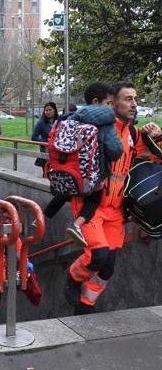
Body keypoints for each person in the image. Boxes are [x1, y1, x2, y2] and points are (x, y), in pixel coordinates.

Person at [65, 81, 162, 315]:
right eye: (128, 99)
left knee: (108, 266)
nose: (134, 104)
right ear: (113, 103)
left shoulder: (133, 134)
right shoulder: (96, 130)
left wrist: (158, 136)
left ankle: (85, 305)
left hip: (116, 210)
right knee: (98, 255)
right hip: (91, 207)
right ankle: (73, 278)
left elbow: (156, 157)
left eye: (135, 99)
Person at [42, 82, 123, 247]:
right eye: (109, 103)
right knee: (93, 199)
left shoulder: (71, 117)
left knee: (66, 191)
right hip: (93, 174)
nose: (111, 107)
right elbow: (115, 151)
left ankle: (41, 218)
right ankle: (77, 225)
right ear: (96, 101)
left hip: (69, 168)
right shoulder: (106, 120)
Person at [31, 102, 58, 176]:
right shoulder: (41, 122)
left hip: (58, 152)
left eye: (50, 110)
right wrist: (45, 142)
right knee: (47, 174)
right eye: (46, 110)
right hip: (46, 152)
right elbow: (34, 137)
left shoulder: (59, 121)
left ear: (55, 110)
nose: (48, 112)